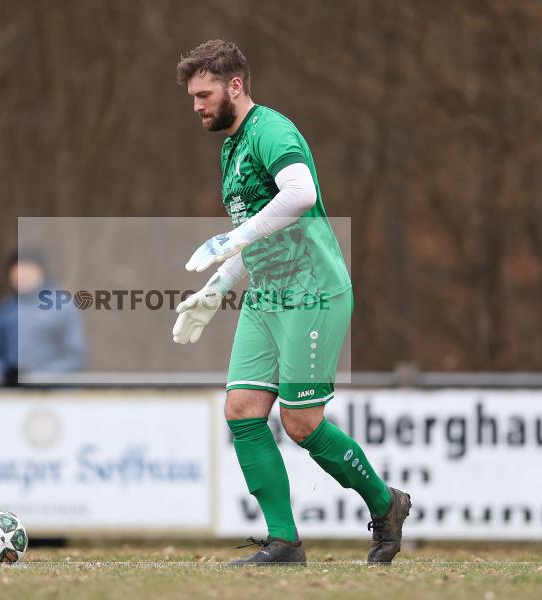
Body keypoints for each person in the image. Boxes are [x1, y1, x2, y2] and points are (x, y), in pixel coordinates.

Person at [173, 40, 411, 565]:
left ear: (236, 86)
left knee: (301, 422)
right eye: (192, 97)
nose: (197, 106)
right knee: (241, 410)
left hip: (312, 291)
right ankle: (283, 543)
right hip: (267, 295)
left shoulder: (271, 130)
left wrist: (230, 243)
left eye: (204, 94)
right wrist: (213, 291)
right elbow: (253, 235)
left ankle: (385, 503)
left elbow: (299, 194)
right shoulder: (231, 149)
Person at [0, 248, 86, 385]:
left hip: (54, 396)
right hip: (10, 398)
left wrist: (38, 379)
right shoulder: (6, 309)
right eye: (17, 271)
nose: (21, 276)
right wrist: (2, 376)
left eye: (27, 270)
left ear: (41, 272)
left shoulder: (63, 306)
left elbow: (74, 356)